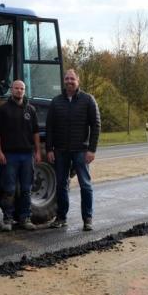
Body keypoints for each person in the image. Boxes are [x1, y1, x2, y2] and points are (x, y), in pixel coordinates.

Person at [45, 69, 101, 231]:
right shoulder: (56, 102)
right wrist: (49, 149)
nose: (69, 81)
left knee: (85, 184)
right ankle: (61, 217)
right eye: (67, 79)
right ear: (64, 81)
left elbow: (96, 125)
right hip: (60, 151)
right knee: (61, 184)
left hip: (81, 151)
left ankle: (87, 219)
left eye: (72, 79)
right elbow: (50, 127)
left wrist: (92, 149)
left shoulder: (88, 100)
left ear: (78, 81)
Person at [0, 80, 40, 232]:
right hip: (9, 156)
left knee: (26, 189)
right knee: (9, 189)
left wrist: (38, 152)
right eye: (16, 88)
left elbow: (36, 133)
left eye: (22, 89)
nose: (19, 91)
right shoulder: (3, 109)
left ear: (24, 91)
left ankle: (25, 218)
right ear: (11, 90)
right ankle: (8, 219)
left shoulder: (31, 110)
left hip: (27, 156)